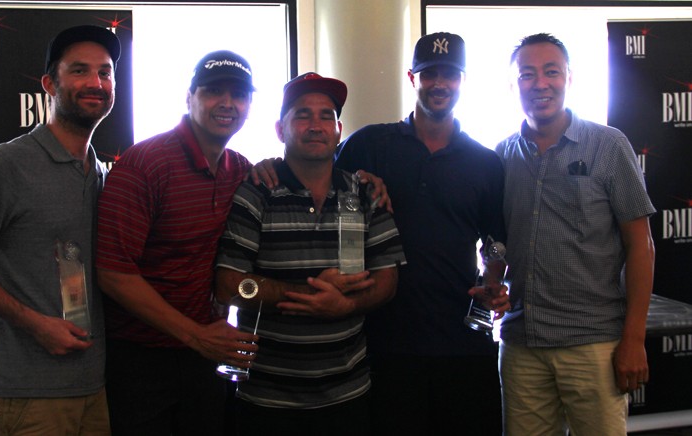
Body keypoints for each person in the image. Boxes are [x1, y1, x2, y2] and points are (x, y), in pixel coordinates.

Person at [0, 25, 119, 435]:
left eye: (105, 73)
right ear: (49, 83)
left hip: (94, 388)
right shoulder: (4, 165)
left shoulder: (101, 174)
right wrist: (36, 324)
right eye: (79, 71)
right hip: (26, 394)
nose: (95, 83)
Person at [332, 32, 509, 435]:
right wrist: (357, 179)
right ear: (412, 78)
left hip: (462, 342)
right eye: (430, 74)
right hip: (383, 340)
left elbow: (495, 241)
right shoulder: (368, 144)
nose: (440, 84)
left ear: (463, 80)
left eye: (450, 74)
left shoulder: (485, 163)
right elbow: (320, 186)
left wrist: (494, 278)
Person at [215, 72, 406, 436]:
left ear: (338, 130)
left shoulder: (366, 193)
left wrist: (346, 306)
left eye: (325, 116)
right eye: (302, 115)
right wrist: (309, 296)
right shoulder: (255, 193)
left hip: (348, 395)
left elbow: (388, 279)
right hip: (266, 399)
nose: (315, 125)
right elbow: (228, 285)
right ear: (280, 129)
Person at [496, 33, 656, 436]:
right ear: (513, 84)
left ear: (570, 78)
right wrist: (489, 281)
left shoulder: (608, 145)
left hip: (594, 346)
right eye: (527, 74)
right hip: (522, 345)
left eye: (552, 72)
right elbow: (497, 243)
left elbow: (641, 244)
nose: (540, 83)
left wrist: (634, 340)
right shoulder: (499, 157)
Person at [95, 50, 260, 436]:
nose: (227, 103)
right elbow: (114, 274)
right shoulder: (145, 164)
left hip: (203, 357)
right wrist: (196, 334)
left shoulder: (241, 168)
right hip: (141, 360)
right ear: (189, 98)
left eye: (238, 94)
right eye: (213, 91)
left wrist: (368, 181)